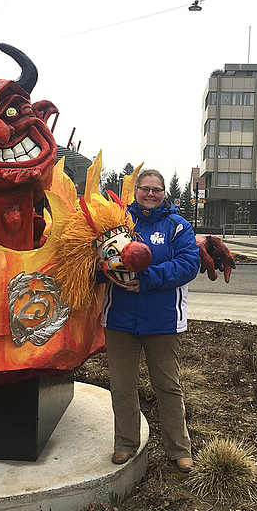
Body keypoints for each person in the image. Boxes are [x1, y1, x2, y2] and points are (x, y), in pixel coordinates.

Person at [101, 169, 200, 473]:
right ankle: (125, 443)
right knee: (122, 385)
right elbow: (96, 259)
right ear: (136, 191)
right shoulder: (117, 223)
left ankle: (179, 449)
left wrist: (146, 278)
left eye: (157, 190)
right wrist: (107, 269)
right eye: (145, 189)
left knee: (168, 386)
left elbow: (188, 264)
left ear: (164, 194)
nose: (151, 194)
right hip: (120, 319)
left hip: (164, 321)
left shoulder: (176, 226)